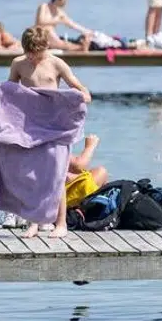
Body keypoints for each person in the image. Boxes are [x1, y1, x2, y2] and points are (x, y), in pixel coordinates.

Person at [7, 27, 93, 238]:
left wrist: (81, 98)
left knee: (57, 174)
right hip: (31, 127)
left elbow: (81, 89)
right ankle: (34, 222)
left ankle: (61, 223)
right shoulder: (19, 64)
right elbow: (9, 92)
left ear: (46, 48)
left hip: (55, 126)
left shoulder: (56, 63)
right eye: (30, 54)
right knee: (33, 175)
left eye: (38, 54)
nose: (34, 58)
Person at [64, 133, 108, 210]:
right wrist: (90, 146)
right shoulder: (52, 143)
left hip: (42, 193)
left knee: (94, 172)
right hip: (56, 199)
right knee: (101, 172)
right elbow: (78, 165)